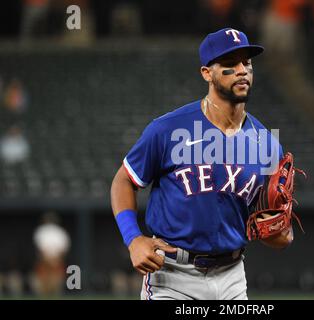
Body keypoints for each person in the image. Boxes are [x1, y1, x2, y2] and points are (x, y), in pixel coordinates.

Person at [110, 27, 293, 300]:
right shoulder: (168, 129)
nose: (242, 70)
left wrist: (280, 233)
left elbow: (275, 230)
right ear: (207, 73)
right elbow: (124, 180)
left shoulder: (267, 144)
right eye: (230, 64)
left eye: (247, 63)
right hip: (173, 273)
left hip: (232, 275)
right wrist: (133, 238)